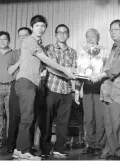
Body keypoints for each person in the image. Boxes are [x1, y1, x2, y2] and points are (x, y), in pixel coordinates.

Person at [13, 15, 76, 160]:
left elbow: (45, 65)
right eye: (37, 26)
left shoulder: (39, 43)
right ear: (31, 27)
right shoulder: (29, 40)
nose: (40, 28)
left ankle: (19, 149)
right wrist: (66, 70)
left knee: (30, 117)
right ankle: (23, 151)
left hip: (35, 83)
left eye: (43, 26)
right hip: (25, 81)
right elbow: (46, 60)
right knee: (27, 118)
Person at [91, 19, 120, 160]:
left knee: (119, 123)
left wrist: (98, 75)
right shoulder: (113, 48)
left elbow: (115, 70)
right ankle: (111, 150)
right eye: (111, 30)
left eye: (116, 30)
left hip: (118, 91)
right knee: (109, 124)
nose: (113, 32)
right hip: (107, 91)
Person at [39, 24, 80, 157]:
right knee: (47, 120)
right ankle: (45, 149)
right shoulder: (48, 48)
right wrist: (67, 73)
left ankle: (59, 148)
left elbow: (75, 71)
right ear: (56, 34)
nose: (62, 35)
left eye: (65, 33)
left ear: (68, 35)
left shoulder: (73, 52)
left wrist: (77, 91)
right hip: (51, 88)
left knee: (64, 121)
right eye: (59, 32)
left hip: (67, 91)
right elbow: (50, 68)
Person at [7, 27, 39, 154]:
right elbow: (10, 71)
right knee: (15, 117)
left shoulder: (35, 50)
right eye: (21, 36)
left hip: (32, 84)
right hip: (17, 84)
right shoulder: (14, 53)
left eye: (26, 35)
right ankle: (12, 145)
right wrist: (22, 60)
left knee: (29, 116)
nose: (23, 37)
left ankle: (27, 145)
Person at [78, 28, 107, 155]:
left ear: (98, 38)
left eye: (93, 37)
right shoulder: (82, 53)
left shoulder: (104, 52)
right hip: (87, 89)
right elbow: (79, 72)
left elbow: (107, 70)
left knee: (100, 118)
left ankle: (99, 145)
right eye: (88, 37)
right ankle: (90, 144)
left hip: (100, 88)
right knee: (88, 119)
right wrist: (77, 90)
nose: (90, 39)